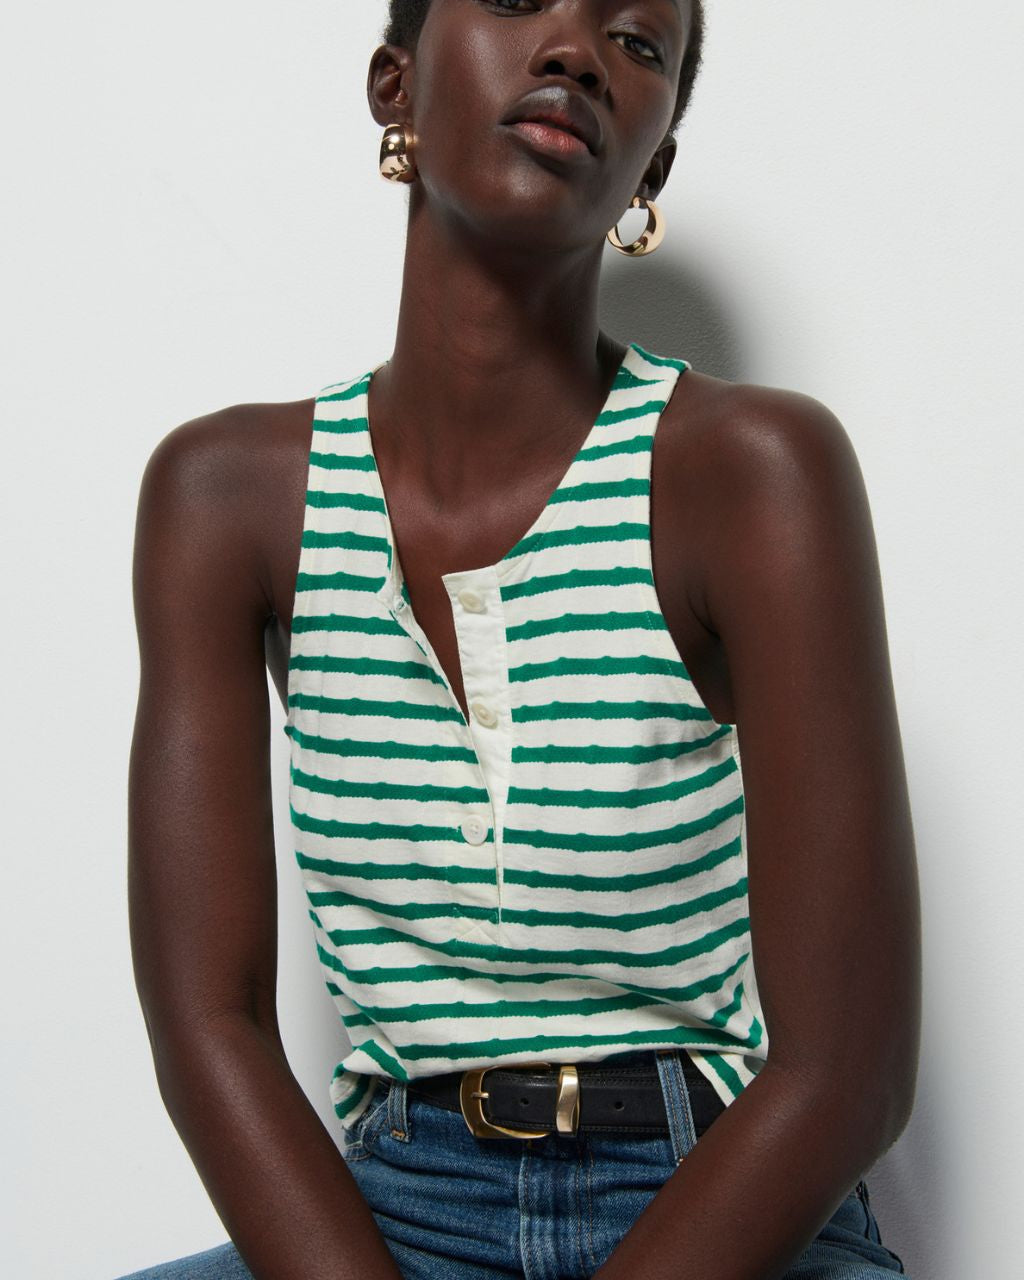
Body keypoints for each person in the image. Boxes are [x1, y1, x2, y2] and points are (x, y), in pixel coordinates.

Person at [120, 2, 920, 1277]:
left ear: (652, 167)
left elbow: (848, 1073)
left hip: (721, 1204)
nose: (573, 53)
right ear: (394, 87)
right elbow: (207, 1022)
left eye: (638, 43)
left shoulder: (752, 471)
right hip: (392, 1217)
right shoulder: (228, 498)